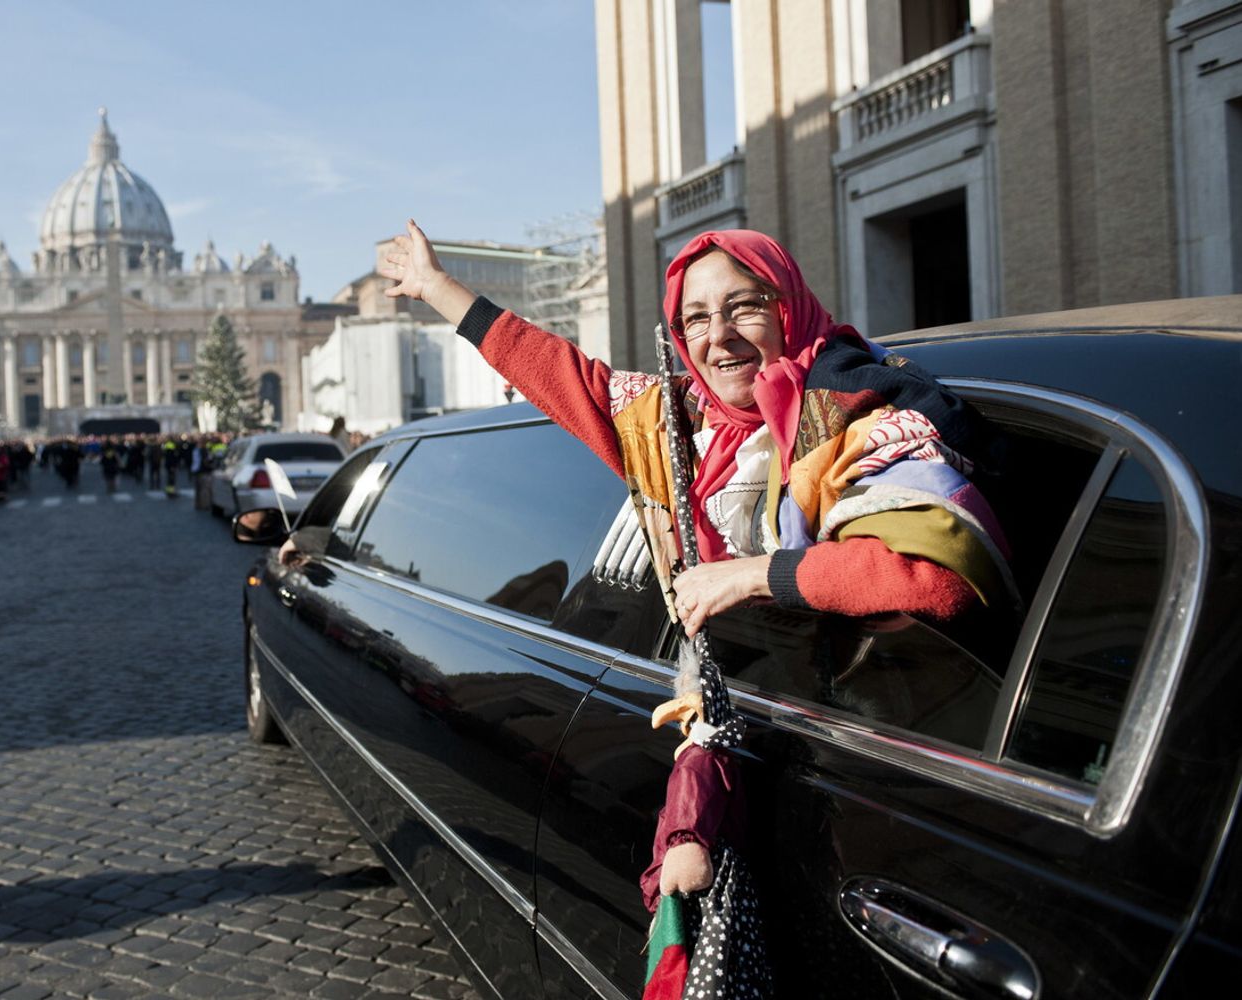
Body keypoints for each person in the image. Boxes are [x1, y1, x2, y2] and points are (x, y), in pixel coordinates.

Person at [380, 219, 1012, 994]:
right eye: (695, 319)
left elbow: (928, 574)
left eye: (744, 307)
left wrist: (751, 577)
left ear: (789, 307)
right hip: (743, 749)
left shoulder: (865, 413)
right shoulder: (672, 424)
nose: (720, 338)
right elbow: (557, 371)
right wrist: (439, 288)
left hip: (885, 780)